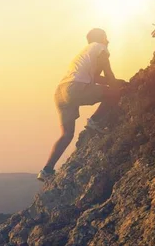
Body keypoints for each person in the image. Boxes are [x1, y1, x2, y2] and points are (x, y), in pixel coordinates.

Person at [37, 28, 126, 182]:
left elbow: (96, 78)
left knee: (67, 135)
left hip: (60, 92)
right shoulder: (100, 48)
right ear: (101, 38)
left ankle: (47, 170)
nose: (108, 40)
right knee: (115, 93)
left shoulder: (85, 53)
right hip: (75, 88)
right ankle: (95, 121)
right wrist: (121, 86)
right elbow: (108, 74)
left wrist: (114, 83)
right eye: (106, 37)